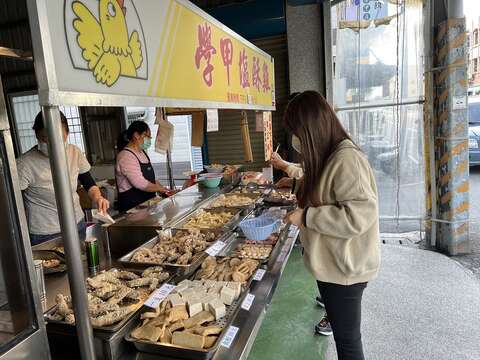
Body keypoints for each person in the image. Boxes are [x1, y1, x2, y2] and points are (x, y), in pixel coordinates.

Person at [283, 91, 380, 360]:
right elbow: (324, 191)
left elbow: (359, 215)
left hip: (346, 270)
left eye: (298, 132)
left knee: (348, 343)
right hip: (334, 267)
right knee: (344, 338)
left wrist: (306, 217)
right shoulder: (328, 155)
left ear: (312, 129)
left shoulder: (346, 158)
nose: (297, 140)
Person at [17, 111, 110, 245]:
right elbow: (14, 203)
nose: (51, 144)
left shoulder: (74, 152)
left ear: (67, 133)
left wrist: (97, 197)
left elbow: (88, 182)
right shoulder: (24, 164)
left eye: (57, 138)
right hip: (46, 233)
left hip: (77, 223)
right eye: (44, 138)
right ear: (36, 135)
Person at [115, 120, 169, 212]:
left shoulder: (142, 153)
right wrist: (160, 189)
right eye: (146, 136)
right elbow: (140, 183)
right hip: (132, 208)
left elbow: (151, 179)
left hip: (147, 204)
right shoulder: (126, 156)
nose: (149, 139)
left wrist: (165, 189)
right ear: (136, 135)